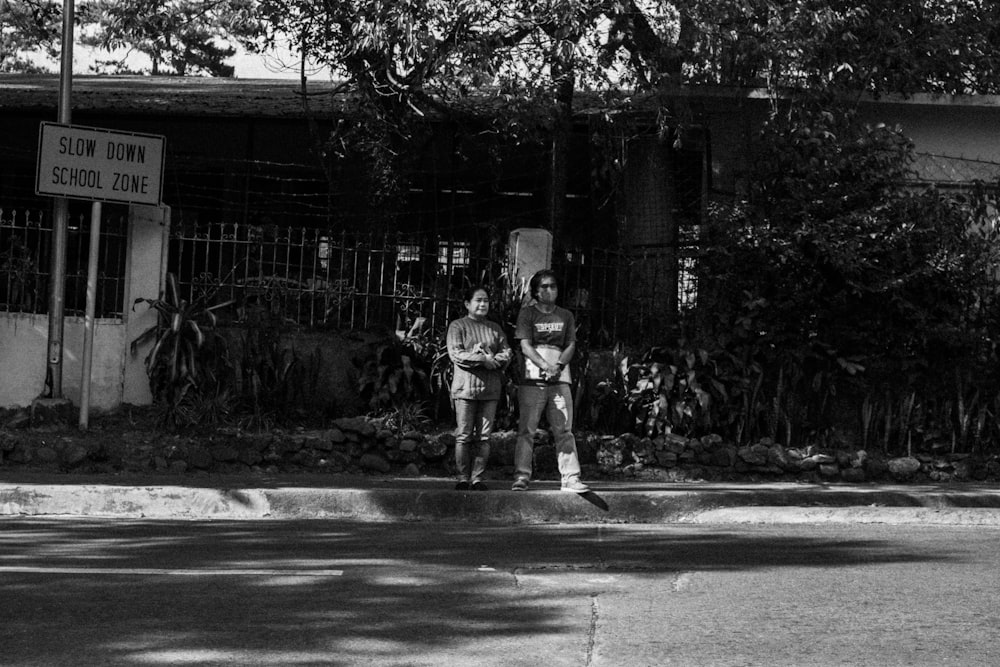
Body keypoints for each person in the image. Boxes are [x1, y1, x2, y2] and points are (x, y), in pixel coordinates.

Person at [512, 269, 590, 493]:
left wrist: (558, 366)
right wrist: (544, 365)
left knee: (564, 429)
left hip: (559, 379)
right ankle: (521, 476)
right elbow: (525, 345)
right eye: (544, 286)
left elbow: (571, 345)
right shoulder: (527, 314)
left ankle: (571, 477)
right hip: (532, 380)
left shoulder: (565, 315)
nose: (549, 290)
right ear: (535, 291)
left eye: (553, 286)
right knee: (527, 430)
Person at [446, 285, 512, 491]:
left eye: (486, 301)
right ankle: (462, 478)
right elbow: (457, 354)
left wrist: (495, 360)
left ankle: (477, 478)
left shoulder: (495, 328)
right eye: (478, 300)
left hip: (490, 390)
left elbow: (507, 352)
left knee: (484, 437)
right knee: (464, 435)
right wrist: (483, 359)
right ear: (467, 304)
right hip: (465, 389)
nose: (483, 304)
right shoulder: (458, 326)